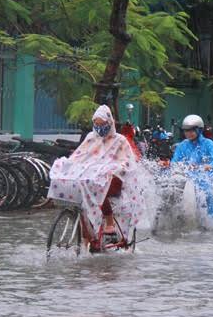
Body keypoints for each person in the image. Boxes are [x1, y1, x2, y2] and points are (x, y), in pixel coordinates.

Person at [48, 105, 147, 245]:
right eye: (97, 124)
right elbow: (79, 156)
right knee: (81, 189)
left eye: (103, 124)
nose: (100, 127)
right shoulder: (90, 138)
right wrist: (67, 165)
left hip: (113, 179)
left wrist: (116, 168)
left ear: (110, 123)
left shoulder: (120, 140)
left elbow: (127, 161)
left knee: (100, 187)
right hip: (92, 178)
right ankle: (87, 238)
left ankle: (109, 222)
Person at [171, 114, 213, 218]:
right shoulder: (182, 145)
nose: (188, 133)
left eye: (192, 130)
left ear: (199, 130)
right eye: (186, 130)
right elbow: (174, 163)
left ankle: (211, 219)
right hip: (187, 177)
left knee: (208, 192)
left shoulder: (208, 144)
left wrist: (208, 166)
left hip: (205, 178)